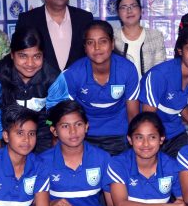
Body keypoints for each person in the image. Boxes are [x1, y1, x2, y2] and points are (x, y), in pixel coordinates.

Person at [48, 20, 140, 156]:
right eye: (90, 42)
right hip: (83, 136)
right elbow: (55, 114)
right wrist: (56, 148)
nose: (97, 47)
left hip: (119, 135)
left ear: (112, 43)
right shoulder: (73, 74)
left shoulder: (127, 69)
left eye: (103, 41)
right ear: (85, 47)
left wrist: (135, 144)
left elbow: (133, 114)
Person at [0, 26, 60, 154]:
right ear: (12, 55)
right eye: (23, 56)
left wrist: (52, 157)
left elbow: (56, 119)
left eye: (37, 56)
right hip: (4, 137)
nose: (30, 63)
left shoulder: (53, 78)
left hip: (42, 135)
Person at [140, 24, 188, 157]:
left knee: (184, 170)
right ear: (180, 50)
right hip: (151, 137)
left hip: (176, 134)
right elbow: (147, 120)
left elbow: (178, 104)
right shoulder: (159, 75)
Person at [16, 0, 94, 71]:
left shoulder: (84, 18)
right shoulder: (27, 20)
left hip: (77, 85)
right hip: (42, 85)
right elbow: (19, 56)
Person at [113, 0, 167, 76]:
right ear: (118, 13)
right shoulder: (112, 37)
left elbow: (160, 70)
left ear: (141, 10)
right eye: (124, 7)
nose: (129, 11)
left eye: (133, 6)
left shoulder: (155, 36)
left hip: (149, 87)